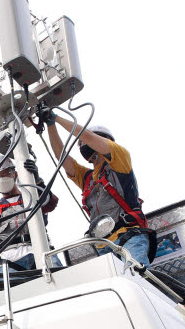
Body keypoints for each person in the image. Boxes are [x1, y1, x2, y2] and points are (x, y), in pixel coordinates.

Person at [38, 108, 155, 267]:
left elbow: (87, 136)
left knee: (135, 277)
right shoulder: (87, 178)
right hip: (103, 244)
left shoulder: (120, 159)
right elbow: (62, 157)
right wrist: (50, 125)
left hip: (129, 236)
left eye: (84, 142)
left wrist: (56, 118)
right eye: (80, 144)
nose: (82, 144)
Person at [0, 150, 60, 271]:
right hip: (10, 263)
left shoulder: (31, 196)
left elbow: (51, 203)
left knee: (62, 282)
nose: (1, 180)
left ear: (15, 174)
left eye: (4, 174)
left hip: (42, 253)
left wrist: (37, 180)